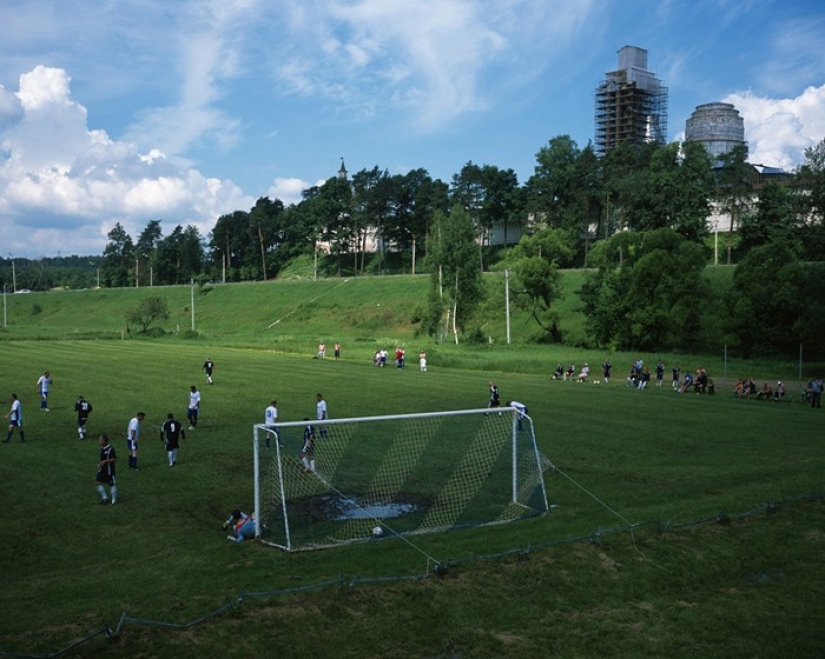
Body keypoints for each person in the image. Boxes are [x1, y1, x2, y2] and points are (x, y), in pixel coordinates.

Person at [95, 434, 117, 505]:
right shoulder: (102, 448)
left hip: (109, 470)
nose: (99, 441)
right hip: (102, 469)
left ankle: (114, 500)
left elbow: (114, 459)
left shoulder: (110, 449)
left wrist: (105, 461)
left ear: (104, 441)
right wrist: (100, 464)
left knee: (111, 484)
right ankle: (105, 498)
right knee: (97, 482)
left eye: (100, 440)